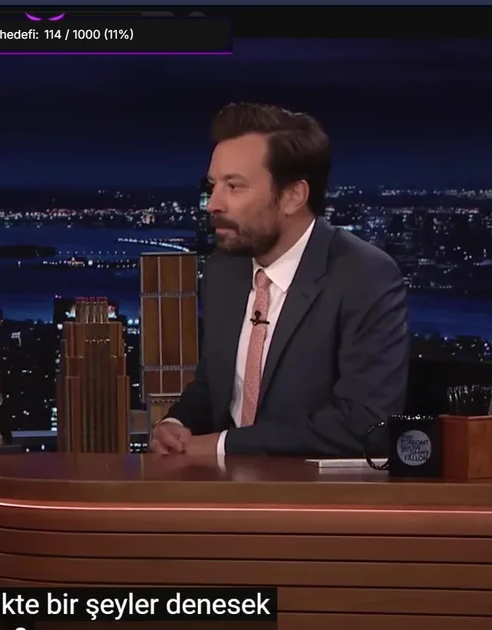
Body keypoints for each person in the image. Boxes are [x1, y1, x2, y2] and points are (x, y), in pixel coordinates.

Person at [150, 103, 409, 459]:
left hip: (311, 491)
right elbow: (214, 387)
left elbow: (365, 425)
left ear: (292, 196)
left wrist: (221, 446)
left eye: (234, 186)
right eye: (212, 186)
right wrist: (176, 424)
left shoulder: (364, 277)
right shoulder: (222, 271)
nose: (213, 204)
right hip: (222, 486)